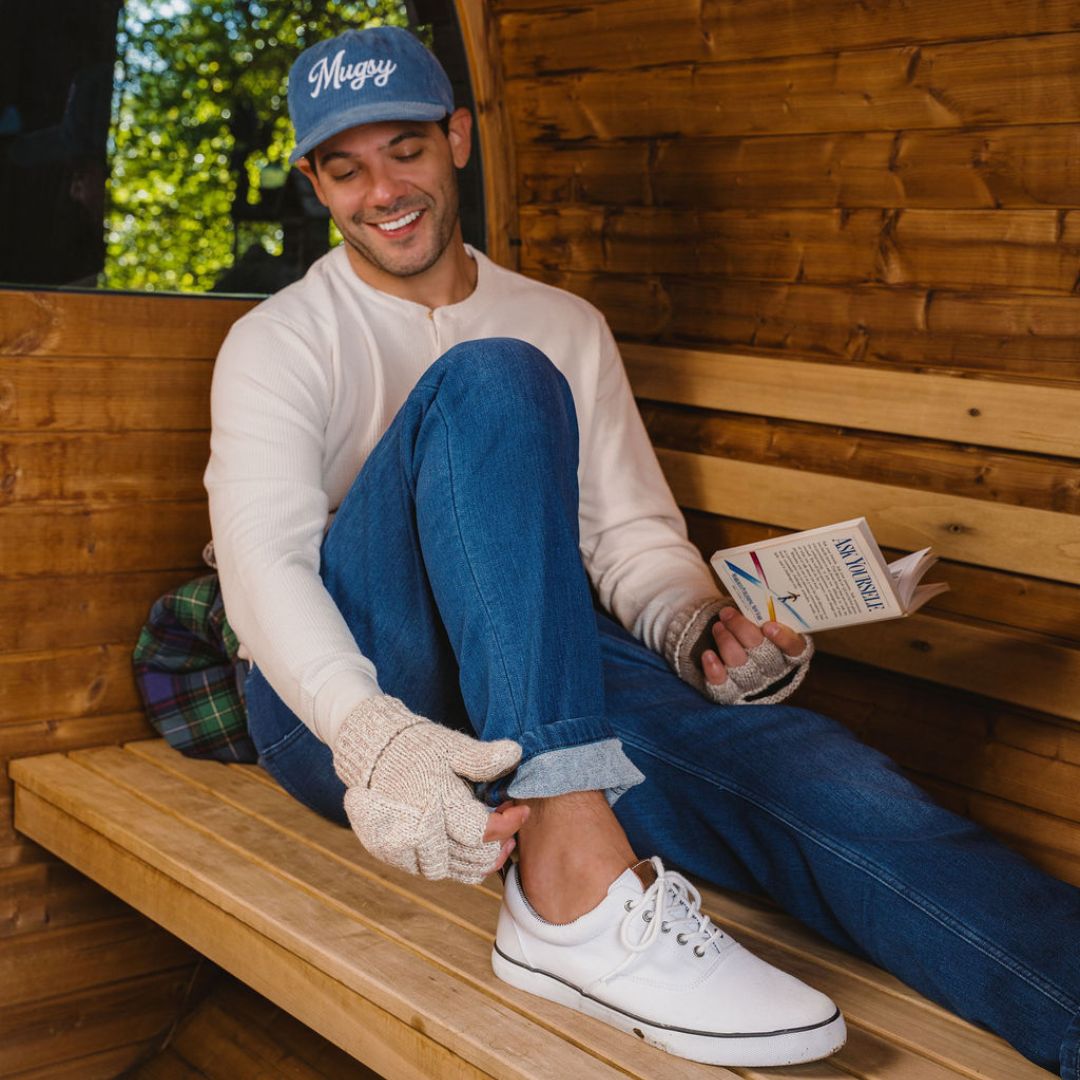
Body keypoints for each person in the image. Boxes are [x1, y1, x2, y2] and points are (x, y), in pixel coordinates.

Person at [204, 25, 1080, 1074]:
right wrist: (372, 734)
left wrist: (695, 624)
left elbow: (630, 538)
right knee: (495, 379)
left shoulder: (564, 322)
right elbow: (264, 564)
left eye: (407, 151)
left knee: (828, 779)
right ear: (315, 183)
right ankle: (570, 898)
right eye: (346, 169)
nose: (383, 189)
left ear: (460, 140)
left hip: (535, 672)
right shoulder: (281, 338)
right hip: (357, 695)